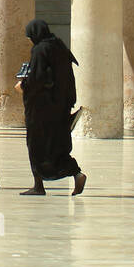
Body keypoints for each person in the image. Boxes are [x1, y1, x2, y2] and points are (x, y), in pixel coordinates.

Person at [15, 19, 86, 196]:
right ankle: (76, 173)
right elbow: (68, 78)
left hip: (41, 108)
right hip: (60, 107)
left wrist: (23, 87)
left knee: (36, 145)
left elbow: (37, 78)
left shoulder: (40, 50)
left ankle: (38, 185)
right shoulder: (60, 47)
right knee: (57, 146)